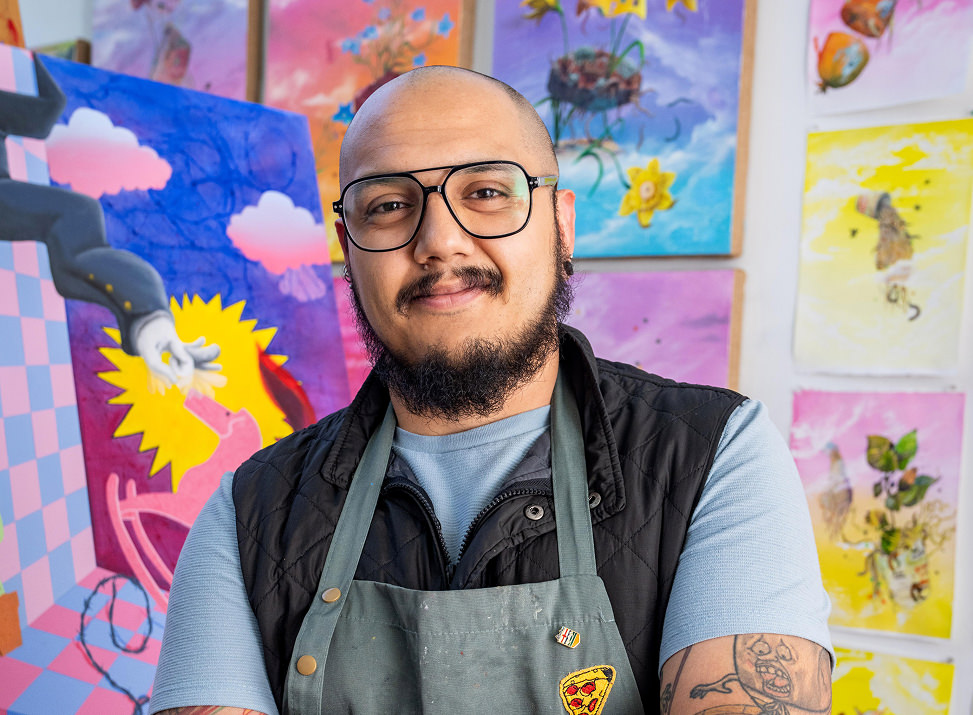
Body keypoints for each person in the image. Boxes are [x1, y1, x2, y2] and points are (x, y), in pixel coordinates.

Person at [150, 66, 833, 715]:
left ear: (562, 225)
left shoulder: (710, 456)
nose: (440, 241)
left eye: (485, 191)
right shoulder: (248, 513)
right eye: (389, 205)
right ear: (348, 245)